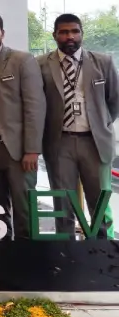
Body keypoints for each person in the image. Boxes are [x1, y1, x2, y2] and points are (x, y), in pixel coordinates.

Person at [39, 13, 119, 238]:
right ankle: (65, 251)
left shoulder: (102, 62)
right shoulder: (40, 64)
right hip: (59, 143)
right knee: (63, 203)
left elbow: (114, 100)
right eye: (64, 32)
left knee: (100, 202)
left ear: (82, 34)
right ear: (55, 35)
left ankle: (103, 251)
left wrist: (101, 124)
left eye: (75, 31)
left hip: (94, 142)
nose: (70, 36)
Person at [0, 13, 45, 239]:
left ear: (2, 33)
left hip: (18, 150)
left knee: (24, 208)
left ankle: (28, 255)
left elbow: (35, 107)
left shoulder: (22, 61)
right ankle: (1, 254)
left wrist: (32, 149)